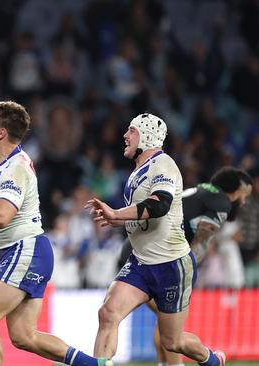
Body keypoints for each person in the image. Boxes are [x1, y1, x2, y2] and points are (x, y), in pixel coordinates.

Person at [0, 101, 110, 366]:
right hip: (29, 249)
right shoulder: (1, 165)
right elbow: (9, 213)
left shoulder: (15, 167)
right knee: (23, 336)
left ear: (2, 133)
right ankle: (94, 364)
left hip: (24, 250)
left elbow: (3, 216)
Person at [85, 113, 226, 366]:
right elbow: (145, 217)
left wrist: (117, 213)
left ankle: (212, 360)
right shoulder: (137, 172)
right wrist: (116, 220)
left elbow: (160, 205)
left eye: (131, 131)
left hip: (171, 265)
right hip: (141, 263)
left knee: (172, 342)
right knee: (108, 313)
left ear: (146, 136)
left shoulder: (164, 166)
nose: (125, 136)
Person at [115, 166, 252, 366]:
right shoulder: (222, 202)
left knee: (164, 320)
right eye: (243, 196)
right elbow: (203, 236)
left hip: (136, 250)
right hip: (155, 258)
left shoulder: (200, 191)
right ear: (234, 191)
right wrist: (188, 267)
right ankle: (205, 360)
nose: (244, 201)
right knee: (171, 326)